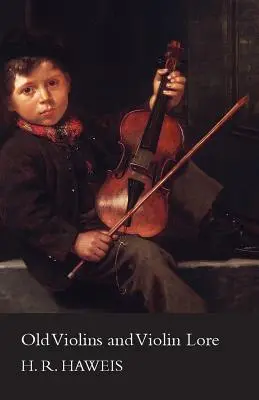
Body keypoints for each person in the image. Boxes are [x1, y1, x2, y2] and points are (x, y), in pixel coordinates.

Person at [0, 29, 225, 313]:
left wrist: (157, 105)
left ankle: (225, 227)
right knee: (144, 256)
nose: (45, 98)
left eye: (52, 83)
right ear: (10, 101)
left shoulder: (81, 127)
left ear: (67, 84)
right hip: (70, 253)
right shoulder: (15, 153)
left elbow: (128, 132)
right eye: (28, 90)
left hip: (113, 216)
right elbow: (23, 215)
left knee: (173, 170)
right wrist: (73, 241)